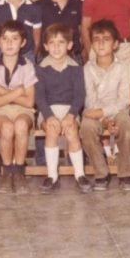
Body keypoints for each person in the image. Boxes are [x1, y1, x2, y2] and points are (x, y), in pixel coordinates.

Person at [79, 20, 130, 191]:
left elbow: (125, 99)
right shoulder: (87, 69)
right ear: (91, 44)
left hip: (118, 110)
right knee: (86, 127)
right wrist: (103, 119)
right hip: (94, 112)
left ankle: (125, 173)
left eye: (106, 39)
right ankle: (101, 173)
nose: (101, 43)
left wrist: (106, 113)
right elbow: (89, 100)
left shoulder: (124, 68)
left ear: (116, 44)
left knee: (126, 125)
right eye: (96, 40)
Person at [34, 24, 91, 193]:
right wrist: (49, 116)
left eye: (61, 42)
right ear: (45, 46)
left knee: (72, 131)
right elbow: (39, 97)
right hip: (48, 111)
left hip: (69, 111)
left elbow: (79, 95)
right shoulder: (41, 69)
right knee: (51, 131)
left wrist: (71, 115)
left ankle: (80, 175)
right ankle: (52, 176)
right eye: (52, 43)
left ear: (70, 45)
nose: (56, 47)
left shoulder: (76, 68)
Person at [0, 20, 37, 194]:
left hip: (23, 111)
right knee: (6, 127)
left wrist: (2, 92)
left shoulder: (27, 66)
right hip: (0, 111)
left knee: (20, 125)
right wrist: (18, 92)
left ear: (23, 42)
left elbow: (29, 102)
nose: (9, 43)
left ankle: (19, 171)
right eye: (5, 39)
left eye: (14, 39)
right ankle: (7, 172)